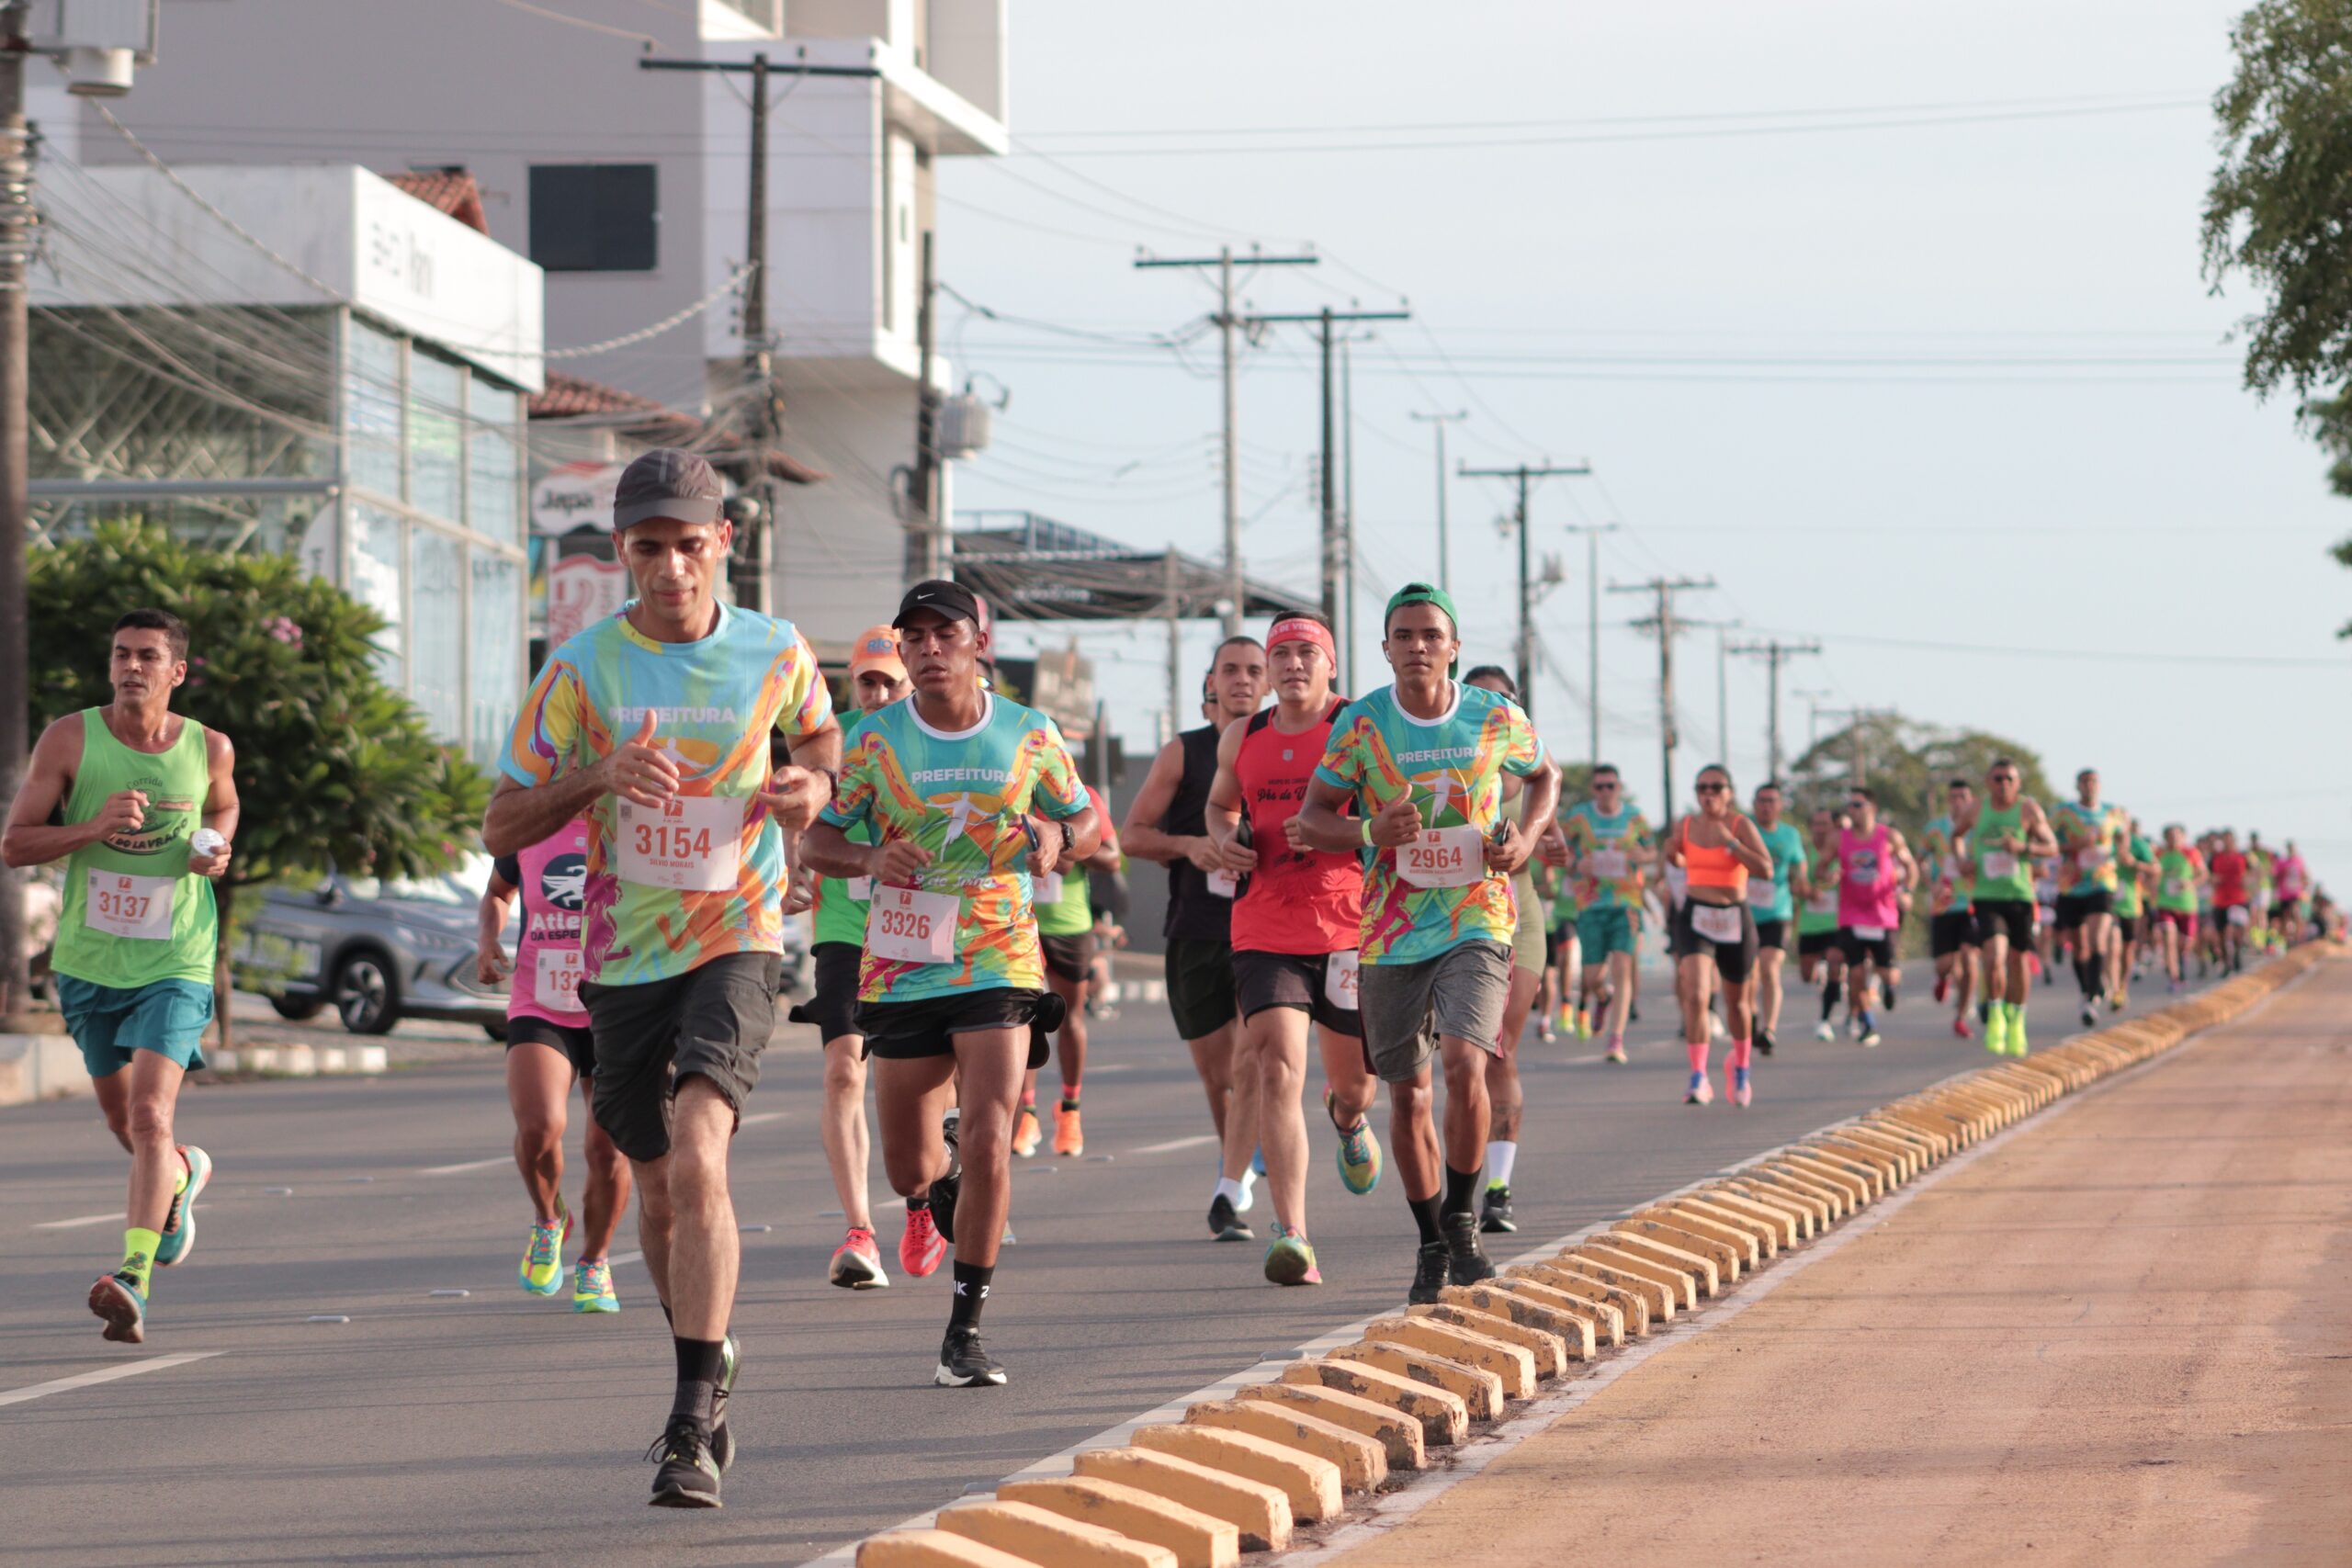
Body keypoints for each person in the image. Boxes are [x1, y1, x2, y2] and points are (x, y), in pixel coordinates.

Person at [484, 449, 842, 1509]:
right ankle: (707, 1345)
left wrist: (808, 782)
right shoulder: (582, 670)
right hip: (621, 959)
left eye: (691, 546)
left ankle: (692, 1421)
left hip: (736, 935)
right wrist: (597, 775)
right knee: (651, 1190)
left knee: (699, 1153)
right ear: (622, 553)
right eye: (650, 548)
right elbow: (500, 821)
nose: (672, 569)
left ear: (722, 544)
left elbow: (821, 734)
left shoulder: (775, 651)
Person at [802, 579, 1100, 1389]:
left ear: (978, 645)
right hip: (903, 961)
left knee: (990, 1128)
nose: (930, 648)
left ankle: (964, 1331)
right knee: (908, 1165)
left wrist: (1054, 832)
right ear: (901, 651)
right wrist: (867, 857)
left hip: (1000, 954)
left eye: (945, 634)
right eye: (916, 637)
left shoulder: (1028, 733)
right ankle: (934, 1193)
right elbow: (818, 841)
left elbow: (1089, 817)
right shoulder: (870, 742)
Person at [1296, 583, 1558, 1304]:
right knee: (1407, 1095)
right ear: (1385, 649)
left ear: (1453, 646)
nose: (1417, 646)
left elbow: (1544, 777)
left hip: (1478, 916)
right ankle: (1430, 1240)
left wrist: (1527, 838)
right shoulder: (1360, 726)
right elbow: (1313, 815)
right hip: (1388, 929)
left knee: (1466, 1062)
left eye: (1430, 634)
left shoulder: (1495, 716)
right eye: (1403, 635)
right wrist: (1366, 832)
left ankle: (1466, 1217)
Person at [4, 608, 237, 1345]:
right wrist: (92, 828)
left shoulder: (209, 748)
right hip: (88, 962)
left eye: (147, 656)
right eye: (121, 654)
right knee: (122, 1122)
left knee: (146, 1115)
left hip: (177, 958)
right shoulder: (71, 738)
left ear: (176, 672)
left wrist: (216, 848)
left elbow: (225, 808)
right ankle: (181, 1174)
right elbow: (15, 844)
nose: (131, 666)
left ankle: (133, 1276)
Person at [1204, 612, 1382, 1284]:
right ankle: (1293, 1234)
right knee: (1277, 1068)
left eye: (1307, 653)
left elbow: (1392, 814)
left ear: (1330, 664)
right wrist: (1224, 839)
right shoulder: (1242, 734)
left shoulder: (1357, 729)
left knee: (1354, 1085)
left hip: (1346, 925)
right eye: (1282, 655)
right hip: (1264, 926)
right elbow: (1221, 806)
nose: (1292, 666)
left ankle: (1349, 1123)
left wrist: (1341, 832)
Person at [1121, 637, 1268, 1237]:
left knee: (1255, 1055)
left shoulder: (1286, 745)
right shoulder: (1184, 752)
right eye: (1229, 670)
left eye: (1254, 670)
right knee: (1218, 1075)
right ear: (1210, 682)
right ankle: (1236, 1157)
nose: (1241, 680)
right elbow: (1131, 834)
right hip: (1197, 927)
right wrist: (1188, 846)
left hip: (1266, 928)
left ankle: (1232, 1185)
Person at [784, 626, 911, 1289]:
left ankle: (924, 1194)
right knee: (844, 1072)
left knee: (919, 1078)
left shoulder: (930, 739)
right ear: (852, 685)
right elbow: (790, 803)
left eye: (892, 680)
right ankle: (860, 1229)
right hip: (843, 924)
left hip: (924, 928)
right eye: (869, 680)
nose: (881, 691)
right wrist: (790, 863)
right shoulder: (834, 741)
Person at [477, 816, 632, 1312]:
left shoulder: (629, 821)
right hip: (540, 1001)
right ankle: (549, 1220)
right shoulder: (530, 824)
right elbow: (498, 894)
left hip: (618, 1002)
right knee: (541, 1126)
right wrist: (488, 940)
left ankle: (595, 1262)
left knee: (608, 1146)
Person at [1462, 666, 1550, 1233]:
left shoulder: (1527, 769)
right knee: (1460, 1060)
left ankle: (1497, 1188)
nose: (1493, 706)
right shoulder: (1448, 765)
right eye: (1482, 697)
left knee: (1499, 1049)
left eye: (1504, 699)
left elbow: (1549, 827)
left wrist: (1542, 842)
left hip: (1519, 926)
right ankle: (1462, 1173)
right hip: (1456, 924)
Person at [1664, 764, 1774, 1105]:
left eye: (1716, 787)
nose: (1708, 794)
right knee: (1696, 995)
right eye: (1702, 788)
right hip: (1696, 914)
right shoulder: (1685, 825)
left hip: (1733, 917)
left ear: (1730, 792)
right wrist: (1674, 856)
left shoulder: (1740, 825)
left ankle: (1740, 1066)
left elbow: (1766, 869)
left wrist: (1733, 845)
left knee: (1738, 1004)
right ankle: (1698, 1076)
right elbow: (1673, 856)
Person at [1032, 781, 1123, 1156]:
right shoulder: (1004, 785)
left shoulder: (1079, 796)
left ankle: (1070, 1111)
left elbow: (1113, 857)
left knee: (1070, 1020)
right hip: (1020, 923)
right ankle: (1026, 1114)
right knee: (1021, 1023)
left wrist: (1065, 844)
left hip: (1069, 924)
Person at [1956, 758, 2059, 1057]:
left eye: (2009, 779)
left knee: (2018, 960)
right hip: (1987, 896)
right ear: (1988, 782)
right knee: (1994, 957)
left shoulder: (2028, 810)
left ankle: (2018, 1021)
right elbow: (1956, 836)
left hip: (2020, 896)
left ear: (2018, 783)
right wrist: (1962, 860)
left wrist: (2023, 848)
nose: (2003, 784)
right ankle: (1996, 1015)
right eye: (1998, 778)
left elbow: (2052, 847)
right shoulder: (1976, 809)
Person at [1557, 764, 1653, 1065]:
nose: (1605, 792)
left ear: (1619, 787)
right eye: (1599, 787)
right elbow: (1559, 849)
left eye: (1610, 786)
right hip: (1591, 904)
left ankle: (1616, 1039)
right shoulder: (1579, 817)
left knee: (1624, 966)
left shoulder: (1635, 817)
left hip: (1627, 904)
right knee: (1592, 976)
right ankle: (1602, 996)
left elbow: (1653, 852)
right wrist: (1575, 865)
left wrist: (1643, 856)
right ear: (1592, 790)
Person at [1835, 786, 1917, 1048]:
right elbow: (1822, 866)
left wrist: (1907, 891)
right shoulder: (1841, 838)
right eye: (1850, 805)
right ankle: (1868, 1022)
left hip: (1883, 914)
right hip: (1851, 913)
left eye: (1858, 805)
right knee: (1856, 974)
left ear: (1872, 808)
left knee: (1887, 973)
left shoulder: (1889, 836)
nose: (1853, 810)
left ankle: (1890, 988)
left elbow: (1911, 866)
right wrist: (1828, 875)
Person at [2051, 768, 2130, 1028]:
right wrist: (2074, 846)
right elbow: (2050, 844)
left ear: (2100, 785)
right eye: (2085, 782)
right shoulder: (2064, 813)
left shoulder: (2113, 812)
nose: (2090, 786)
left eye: (2094, 781)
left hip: (2102, 883)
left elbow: (2123, 838)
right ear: (2077, 786)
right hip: (2072, 886)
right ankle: (2086, 992)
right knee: (2079, 946)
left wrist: (2123, 850)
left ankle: (2094, 991)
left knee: (2098, 939)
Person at [1744, 780, 1810, 1056]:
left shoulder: (1790, 835)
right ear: (1754, 805)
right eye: (1761, 801)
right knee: (1750, 974)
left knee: (1770, 969)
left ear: (1780, 806)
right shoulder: (1744, 830)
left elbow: (1800, 866)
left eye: (1772, 801)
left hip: (1777, 911)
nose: (1766, 806)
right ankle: (1753, 1019)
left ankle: (1769, 1029)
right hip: (1745, 911)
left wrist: (1802, 882)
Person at [1919, 778, 1981, 1042]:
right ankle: (1943, 979)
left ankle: (1961, 1015)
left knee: (1969, 959)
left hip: (1973, 902)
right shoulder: (1935, 829)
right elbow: (1919, 860)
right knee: (1945, 964)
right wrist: (1930, 884)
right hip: (1943, 904)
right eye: (1953, 797)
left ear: (1970, 800)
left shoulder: (1979, 828)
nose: (1958, 802)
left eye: (1963, 797)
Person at [1797, 806, 1849, 1042]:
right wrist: (1808, 892)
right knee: (1806, 975)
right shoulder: (1805, 851)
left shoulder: (1842, 850)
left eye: (1824, 825)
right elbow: (1793, 884)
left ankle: (1824, 1020)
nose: (1820, 830)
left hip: (1835, 921)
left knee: (1836, 963)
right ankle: (1821, 974)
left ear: (1833, 827)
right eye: (1816, 825)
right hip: (1810, 923)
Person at [2151, 823, 2206, 991]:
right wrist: (2151, 886)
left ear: (2183, 837)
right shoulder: (2159, 854)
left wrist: (2190, 883)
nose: (2174, 839)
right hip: (2165, 903)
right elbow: (2150, 873)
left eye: (2177, 836)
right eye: (2170, 836)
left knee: (2185, 943)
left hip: (2187, 905)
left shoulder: (2191, 853)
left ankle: (2181, 965)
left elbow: (2203, 874)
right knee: (2169, 936)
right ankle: (2174, 977)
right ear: (2165, 838)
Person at [2209, 829, 2252, 972]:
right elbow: (2208, 875)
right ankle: (2227, 961)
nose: (2227, 842)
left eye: (2230, 839)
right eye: (2224, 839)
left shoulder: (2243, 856)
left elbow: (2255, 871)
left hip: (2238, 898)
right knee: (2221, 934)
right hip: (2221, 900)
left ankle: (2237, 952)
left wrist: (2249, 883)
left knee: (2236, 930)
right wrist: (2213, 880)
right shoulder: (2215, 858)